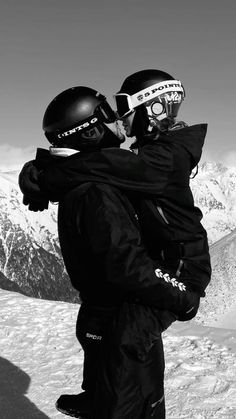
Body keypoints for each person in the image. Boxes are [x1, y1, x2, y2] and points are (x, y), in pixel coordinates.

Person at [19, 83, 204, 419]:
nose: (118, 120)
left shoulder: (97, 177)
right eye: (106, 114)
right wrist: (183, 297)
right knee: (134, 401)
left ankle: (99, 399)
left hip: (100, 310)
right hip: (122, 311)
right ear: (87, 132)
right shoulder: (96, 192)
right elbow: (128, 265)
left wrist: (41, 173)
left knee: (114, 388)